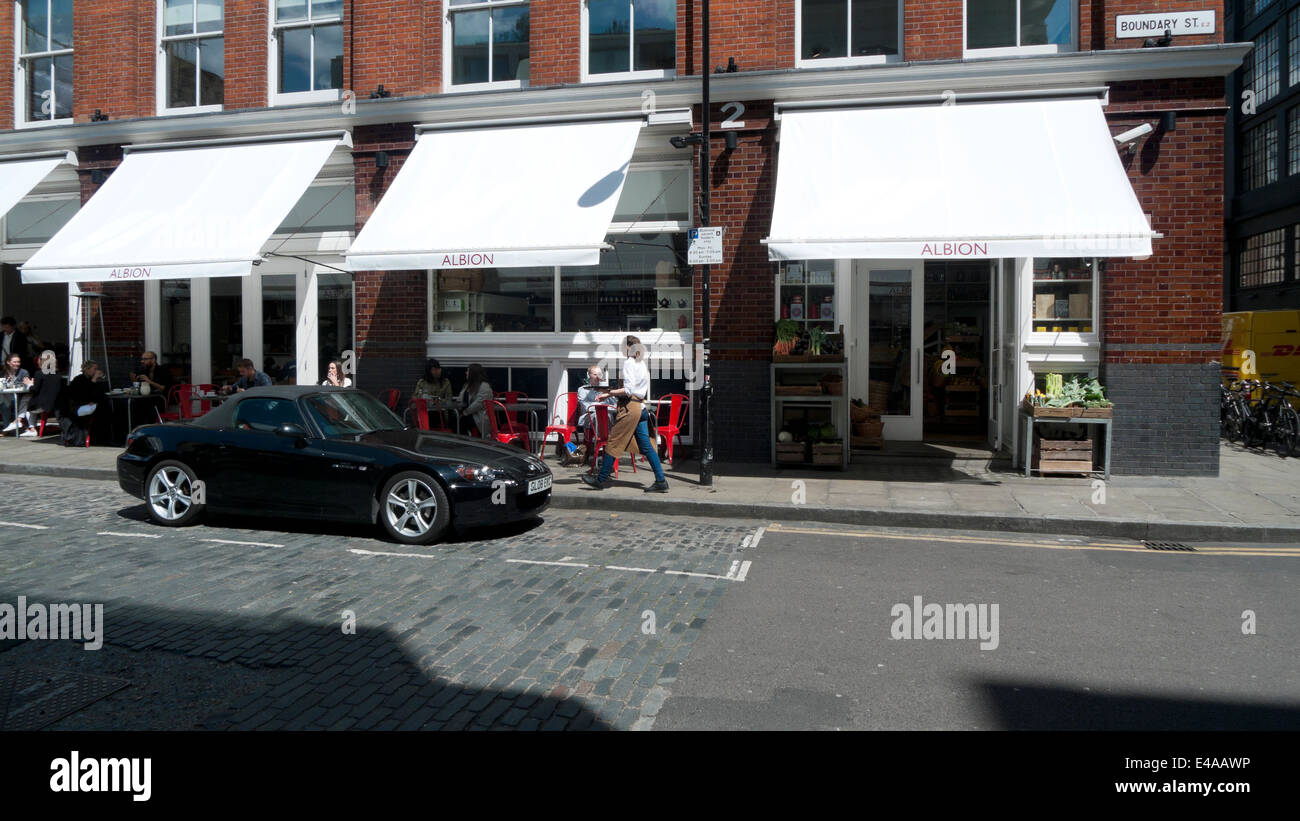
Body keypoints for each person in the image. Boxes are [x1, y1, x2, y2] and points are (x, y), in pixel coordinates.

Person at [580, 335, 669, 493]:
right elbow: (637, 390)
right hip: (640, 408)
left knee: (613, 442)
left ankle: (600, 480)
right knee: (647, 447)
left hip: (629, 409)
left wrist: (609, 393)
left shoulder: (628, 363)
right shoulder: (641, 364)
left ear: (629, 347)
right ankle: (661, 480)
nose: (621, 348)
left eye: (623, 345)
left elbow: (628, 391)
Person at [61, 360, 109, 446]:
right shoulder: (79, 380)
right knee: (101, 409)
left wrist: (99, 380)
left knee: (105, 407)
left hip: (86, 404)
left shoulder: (90, 379)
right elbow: (84, 395)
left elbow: (98, 393)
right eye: (95, 369)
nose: (96, 371)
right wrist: (94, 380)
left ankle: (102, 437)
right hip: (76, 407)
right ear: (87, 369)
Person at [20, 350, 63, 438]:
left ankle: (31, 428)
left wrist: (29, 384)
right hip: (55, 404)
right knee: (27, 402)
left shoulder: (39, 373)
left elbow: (35, 390)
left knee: (25, 403)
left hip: (42, 405)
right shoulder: (58, 374)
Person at [458, 363, 494, 438]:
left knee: (461, 422)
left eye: (468, 371)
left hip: (479, 416)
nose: (466, 373)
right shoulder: (467, 385)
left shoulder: (484, 386)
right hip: (468, 414)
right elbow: (460, 398)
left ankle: (464, 442)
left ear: (473, 373)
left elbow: (479, 404)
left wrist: (465, 412)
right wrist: (458, 408)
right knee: (454, 419)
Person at [1, 352, 31, 434]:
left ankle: (9, 428)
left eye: (18, 362)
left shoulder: (23, 372)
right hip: (7, 396)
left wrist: (25, 383)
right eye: (15, 362)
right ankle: (7, 427)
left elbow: (27, 384)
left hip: (20, 396)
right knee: (4, 404)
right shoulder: (4, 372)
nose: (17, 364)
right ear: (8, 362)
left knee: (5, 403)